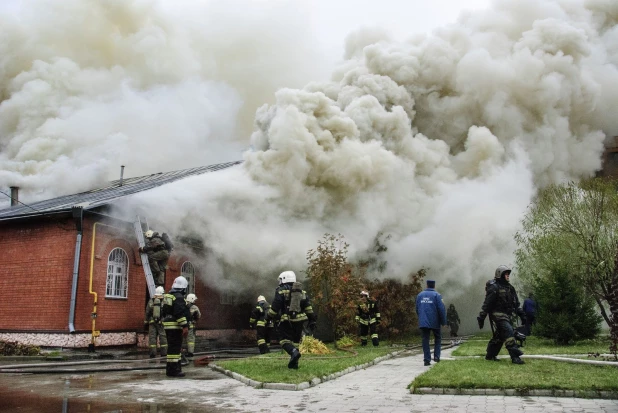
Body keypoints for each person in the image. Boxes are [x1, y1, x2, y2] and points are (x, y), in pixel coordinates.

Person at [477, 265, 526, 365]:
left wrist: (522, 314)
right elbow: (487, 303)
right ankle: (515, 357)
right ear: (500, 274)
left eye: (508, 274)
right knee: (509, 332)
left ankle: (490, 355)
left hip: (506, 315)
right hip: (497, 314)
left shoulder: (510, 288)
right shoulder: (494, 287)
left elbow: (516, 303)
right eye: (506, 274)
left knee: (500, 336)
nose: (508, 276)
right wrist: (482, 317)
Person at [267, 270, 317, 369]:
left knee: (283, 340)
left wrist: (269, 316)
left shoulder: (281, 290)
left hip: (287, 320)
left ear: (284, 279)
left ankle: (294, 353)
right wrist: (312, 319)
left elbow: (276, 306)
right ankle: (294, 364)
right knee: (295, 341)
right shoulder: (301, 292)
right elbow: (308, 307)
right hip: (300, 321)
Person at [161, 276, 191, 377]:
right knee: (175, 348)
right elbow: (179, 313)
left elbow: (164, 311)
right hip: (175, 326)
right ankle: (174, 371)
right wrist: (185, 326)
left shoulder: (168, 296)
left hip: (168, 326)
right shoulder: (178, 297)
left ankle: (174, 369)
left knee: (174, 348)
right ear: (183, 288)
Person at [416, 280, 447, 366]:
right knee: (438, 338)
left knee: (425, 340)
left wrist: (421, 318)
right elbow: (441, 309)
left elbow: (417, 308)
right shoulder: (437, 295)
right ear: (434, 286)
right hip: (435, 322)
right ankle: (436, 357)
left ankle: (426, 360)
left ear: (427, 285)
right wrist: (444, 322)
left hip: (424, 322)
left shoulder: (420, 295)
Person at [144, 286, 168, 358]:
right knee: (163, 337)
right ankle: (164, 353)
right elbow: (167, 311)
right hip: (161, 322)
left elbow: (147, 312)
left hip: (152, 322)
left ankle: (152, 353)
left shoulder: (151, 300)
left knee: (152, 337)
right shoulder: (164, 300)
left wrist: (146, 322)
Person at [182, 293, 201, 358]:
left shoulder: (183, 306)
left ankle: (180, 351)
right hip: (190, 325)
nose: (195, 301)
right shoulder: (194, 307)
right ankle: (190, 353)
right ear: (192, 299)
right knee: (190, 339)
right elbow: (199, 315)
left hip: (182, 324)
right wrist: (194, 320)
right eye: (194, 300)